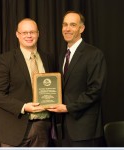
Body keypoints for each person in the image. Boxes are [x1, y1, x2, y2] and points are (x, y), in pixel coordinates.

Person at [0, 18, 56, 147]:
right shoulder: (6, 60)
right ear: (17, 34)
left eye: (32, 32)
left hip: (42, 128)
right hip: (13, 129)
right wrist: (23, 107)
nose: (29, 35)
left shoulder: (48, 58)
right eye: (24, 32)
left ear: (38, 33)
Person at [47, 11, 107, 147]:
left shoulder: (94, 54)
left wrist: (68, 108)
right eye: (65, 25)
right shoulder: (63, 54)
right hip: (64, 129)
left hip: (85, 130)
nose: (67, 29)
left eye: (73, 25)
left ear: (82, 28)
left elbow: (95, 90)